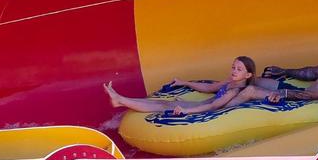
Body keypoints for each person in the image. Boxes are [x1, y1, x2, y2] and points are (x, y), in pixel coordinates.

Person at [227, 37, 318, 106]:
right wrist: (285, 71)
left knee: (251, 90)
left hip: (306, 103)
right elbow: (313, 72)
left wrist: (282, 93)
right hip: (301, 91)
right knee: (254, 80)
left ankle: (219, 111)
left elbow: (311, 95)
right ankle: (221, 92)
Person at [104, 56, 257, 115]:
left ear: (248, 75)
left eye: (239, 69)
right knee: (163, 103)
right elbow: (210, 88)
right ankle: (121, 100)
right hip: (202, 104)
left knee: (164, 105)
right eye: (233, 67)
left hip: (202, 110)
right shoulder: (230, 81)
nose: (234, 71)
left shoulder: (235, 90)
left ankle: (121, 100)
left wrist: (186, 110)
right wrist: (185, 82)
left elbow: (213, 106)